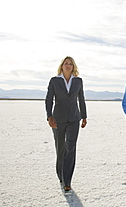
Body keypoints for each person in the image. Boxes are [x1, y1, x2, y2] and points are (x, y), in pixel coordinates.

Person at [45, 56, 87, 193]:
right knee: (60, 148)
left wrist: (84, 116)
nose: (68, 65)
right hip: (58, 119)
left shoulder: (78, 81)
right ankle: (61, 176)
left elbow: (81, 99)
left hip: (74, 119)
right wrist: (49, 116)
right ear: (62, 66)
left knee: (71, 147)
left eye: (70, 64)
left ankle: (67, 180)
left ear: (73, 67)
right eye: (66, 63)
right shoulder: (55, 81)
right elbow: (49, 99)